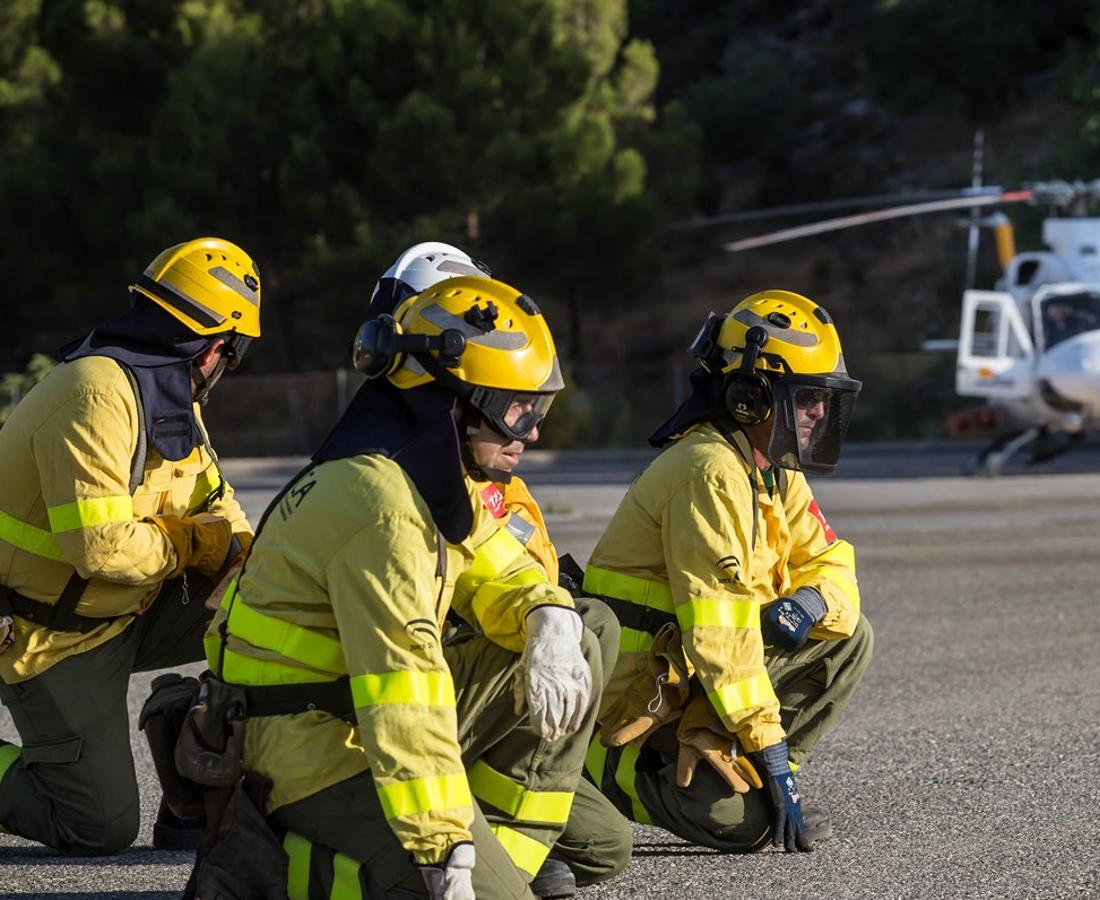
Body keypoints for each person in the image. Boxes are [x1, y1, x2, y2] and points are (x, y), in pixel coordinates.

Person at [189, 274, 604, 900]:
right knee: (441, 881)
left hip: (344, 715)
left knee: (581, 633)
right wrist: (442, 848)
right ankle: (269, 869)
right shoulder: (383, 504)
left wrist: (548, 616)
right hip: (306, 747)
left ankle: (502, 868)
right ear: (453, 402)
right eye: (519, 410)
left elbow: (501, 563)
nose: (534, 432)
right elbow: (403, 688)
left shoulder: (432, 474)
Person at [367, 243, 631, 898]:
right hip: (398, 717)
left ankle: (493, 831)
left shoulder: (472, 468)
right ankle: (485, 855)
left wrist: (543, 614)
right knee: (587, 623)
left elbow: (517, 559)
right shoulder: (380, 477)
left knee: (605, 847)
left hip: (469, 694)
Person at [582, 289, 874, 854]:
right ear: (750, 399)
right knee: (741, 826)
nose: (818, 412)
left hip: (690, 679)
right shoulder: (708, 472)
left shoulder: (772, 469)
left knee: (850, 637)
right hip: (634, 707)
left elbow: (832, 561)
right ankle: (600, 778)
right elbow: (720, 633)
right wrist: (773, 755)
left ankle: (751, 778)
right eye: (808, 397)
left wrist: (811, 601)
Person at [0, 238, 260, 854]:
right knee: (98, 827)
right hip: (49, 636)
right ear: (214, 347)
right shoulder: (96, 393)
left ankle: (183, 762)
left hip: (127, 611)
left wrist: (248, 558)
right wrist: (196, 542)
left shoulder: (168, 399)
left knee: (275, 606)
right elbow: (100, 548)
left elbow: (216, 504)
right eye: (235, 352)